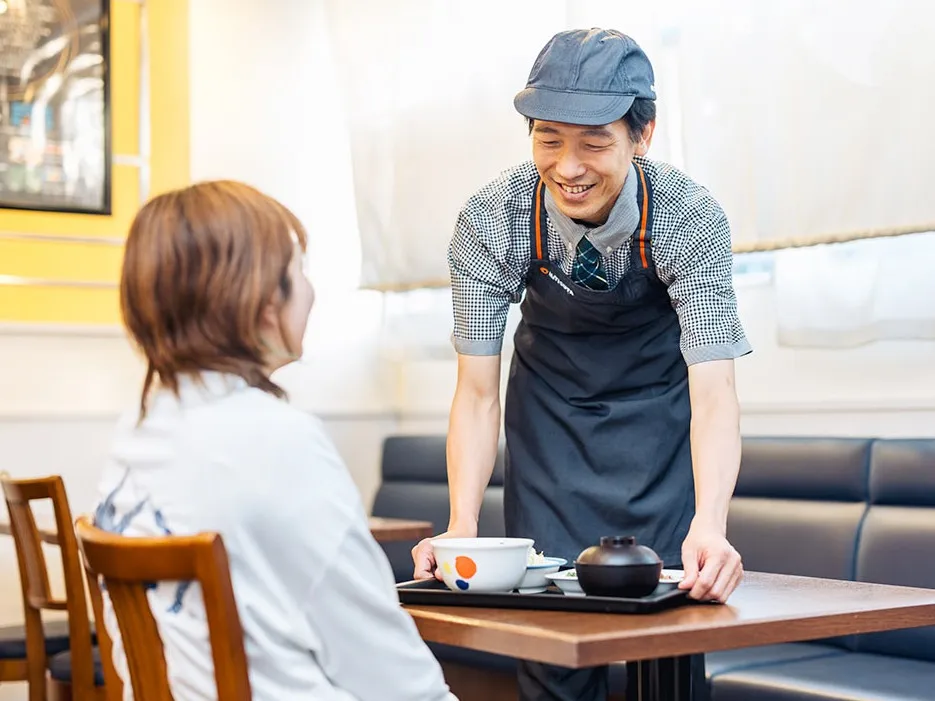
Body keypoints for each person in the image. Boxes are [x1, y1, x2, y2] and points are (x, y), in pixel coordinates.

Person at [412, 28, 750, 700]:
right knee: (551, 652)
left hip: (656, 433)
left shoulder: (689, 220)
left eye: (593, 142)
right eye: (547, 139)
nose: (567, 166)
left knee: (671, 644)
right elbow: (476, 393)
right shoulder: (492, 220)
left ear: (641, 134)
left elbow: (713, 393)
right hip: (550, 432)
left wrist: (709, 523)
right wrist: (461, 526)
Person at [94, 181, 457, 701]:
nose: (309, 290)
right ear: (263, 299)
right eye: (298, 269)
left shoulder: (140, 429)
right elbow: (391, 672)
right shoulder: (276, 440)